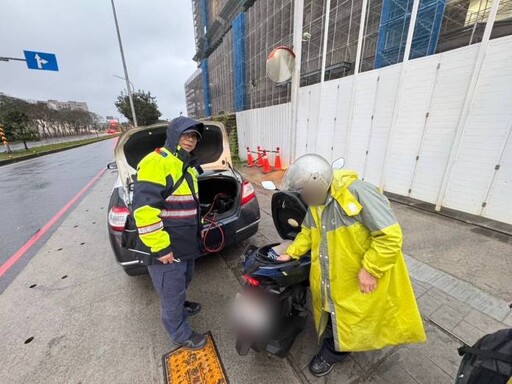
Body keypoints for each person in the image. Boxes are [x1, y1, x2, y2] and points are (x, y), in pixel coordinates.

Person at [277, 154, 426, 377]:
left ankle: (335, 352)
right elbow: (308, 231)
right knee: (333, 311)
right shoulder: (316, 202)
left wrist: (371, 269)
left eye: (305, 191)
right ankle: (337, 339)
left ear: (318, 183)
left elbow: (390, 236)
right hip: (332, 275)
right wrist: (291, 252)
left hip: (356, 276)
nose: (304, 197)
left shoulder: (358, 193)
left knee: (352, 318)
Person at [132, 116, 206, 350]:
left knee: (183, 281)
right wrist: (161, 247)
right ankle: (179, 332)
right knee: (171, 293)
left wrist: (199, 227)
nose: (191, 140)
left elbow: (189, 203)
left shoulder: (186, 166)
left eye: (194, 136)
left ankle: (182, 307)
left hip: (185, 244)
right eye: (186, 134)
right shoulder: (156, 162)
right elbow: (144, 211)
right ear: (174, 135)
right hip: (167, 247)